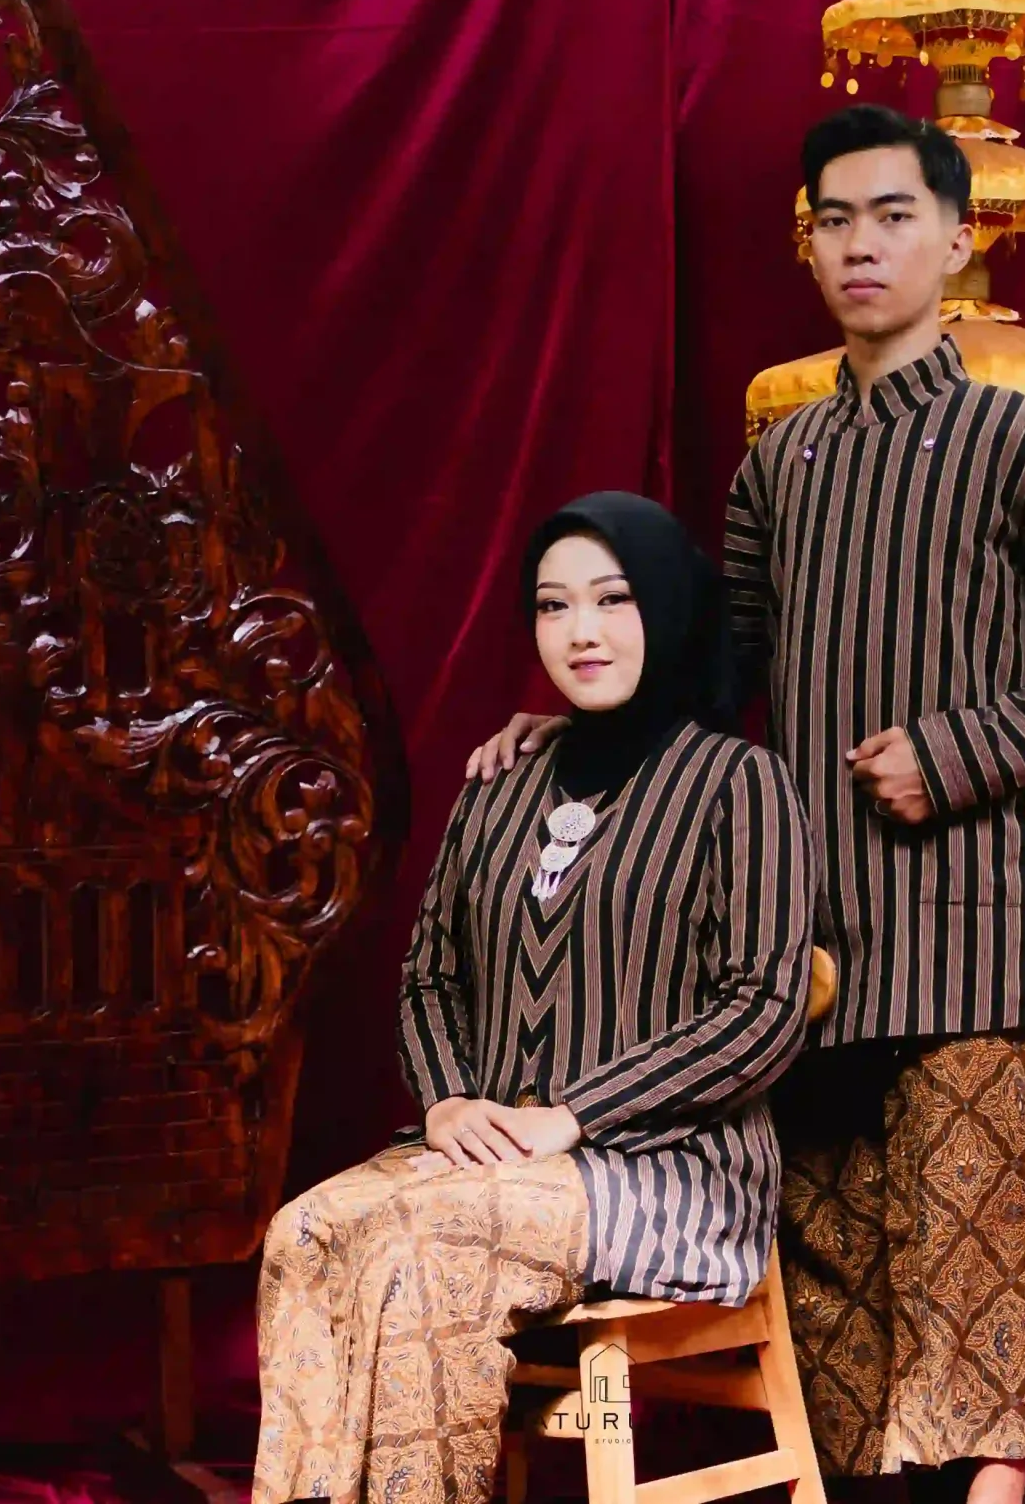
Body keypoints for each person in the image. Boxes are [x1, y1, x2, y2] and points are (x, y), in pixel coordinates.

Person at [467, 105, 1025, 1502]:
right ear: (809, 244)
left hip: (959, 921)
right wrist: (574, 720)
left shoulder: (1020, 442)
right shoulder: (779, 462)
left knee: (969, 1232)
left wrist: (954, 754)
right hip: (806, 931)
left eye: (894, 215)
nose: (861, 244)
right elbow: (717, 674)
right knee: (834, 1247)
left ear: (955, 239)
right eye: (834, 219)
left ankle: (997, 1490)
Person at [254, 492, 818, 1504]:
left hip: (671, 1173)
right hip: (495, 1159)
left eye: (613, 598)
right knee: (306, 1231)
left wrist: (574, 1116)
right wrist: (446, 1102)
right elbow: (431, 971)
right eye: (555, 606)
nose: (581, 631)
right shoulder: (501, 782)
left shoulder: (742, 785)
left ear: (668, 605)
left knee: (424, 1249)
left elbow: (763, 1007)